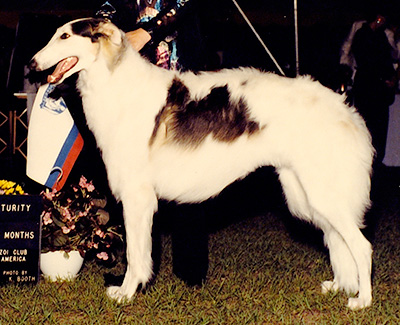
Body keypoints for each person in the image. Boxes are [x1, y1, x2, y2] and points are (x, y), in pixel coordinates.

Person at [93, 0, 209, 286]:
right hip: (132, 77)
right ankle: (138, 269)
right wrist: (104, 22)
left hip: (182, 77)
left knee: (188, 167)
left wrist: (149, 31)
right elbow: (106, 4)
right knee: (132, 175)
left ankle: (191, 267)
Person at [351, 12, 398, 166]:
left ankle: (376, 159)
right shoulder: (363, 35)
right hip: (368, 89)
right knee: (367, 126)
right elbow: (367, 62)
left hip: (379, 91)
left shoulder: (381, 36)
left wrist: (391, 78)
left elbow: (386, 59)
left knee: (379, 128)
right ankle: (366, 160)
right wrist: (383, 77)